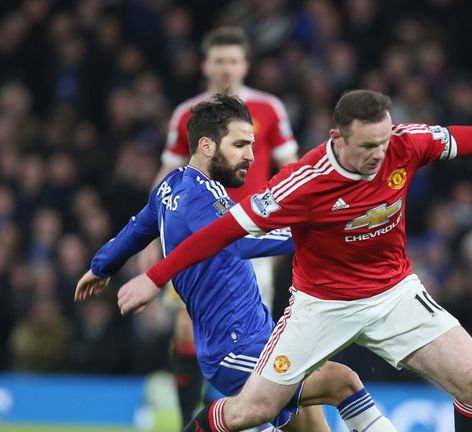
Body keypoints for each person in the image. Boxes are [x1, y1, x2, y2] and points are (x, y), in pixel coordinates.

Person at [120, 90, 472, 432]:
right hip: (320, 305)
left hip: (393, 294)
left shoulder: (407, 144)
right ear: (337, 138)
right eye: (367, 146)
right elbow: (223, 231)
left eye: (383, 141)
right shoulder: (303, 182)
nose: (379, 154)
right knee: (252, 410)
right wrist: (155, 278)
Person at [76, 95, 396, 432]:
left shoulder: (172, 186)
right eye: (240, 144)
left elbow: (136, 230)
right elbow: (242, 240)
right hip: (235, 347)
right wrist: (322, 229)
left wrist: (101, 267)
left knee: (314, 425)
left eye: (252, 145)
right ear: (206, 145)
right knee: (343, 381)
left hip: (260, 339)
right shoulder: (202, 199)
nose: (251, 156)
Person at [148, 26, 299, 424]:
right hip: (196, 236)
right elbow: (167, 177)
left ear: (246, 65)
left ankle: (252, 417)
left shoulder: (269, 109)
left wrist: (288, 222)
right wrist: (150, 237)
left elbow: (291, 169)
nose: (226, 68)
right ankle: (188, 421)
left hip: (253, 234)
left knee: (249, 334)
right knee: (187, 327)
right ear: (205, 66)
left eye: (233, 60)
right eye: (219, 60)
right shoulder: (188, 114)